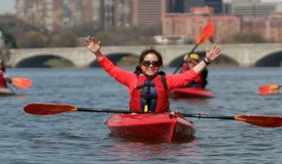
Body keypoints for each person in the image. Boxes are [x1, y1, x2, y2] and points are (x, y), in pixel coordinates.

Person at [86, 35, 221, 113]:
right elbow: (111, 68)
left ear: (160, 66)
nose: (151, 66)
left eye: (155, 63)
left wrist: (206, 60)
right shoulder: (131, 78)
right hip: (136, 118)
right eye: (146, 63)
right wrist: (97, 53)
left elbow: (190, 75)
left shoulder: (167, 80)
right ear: (141, 64)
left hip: (161, 118)